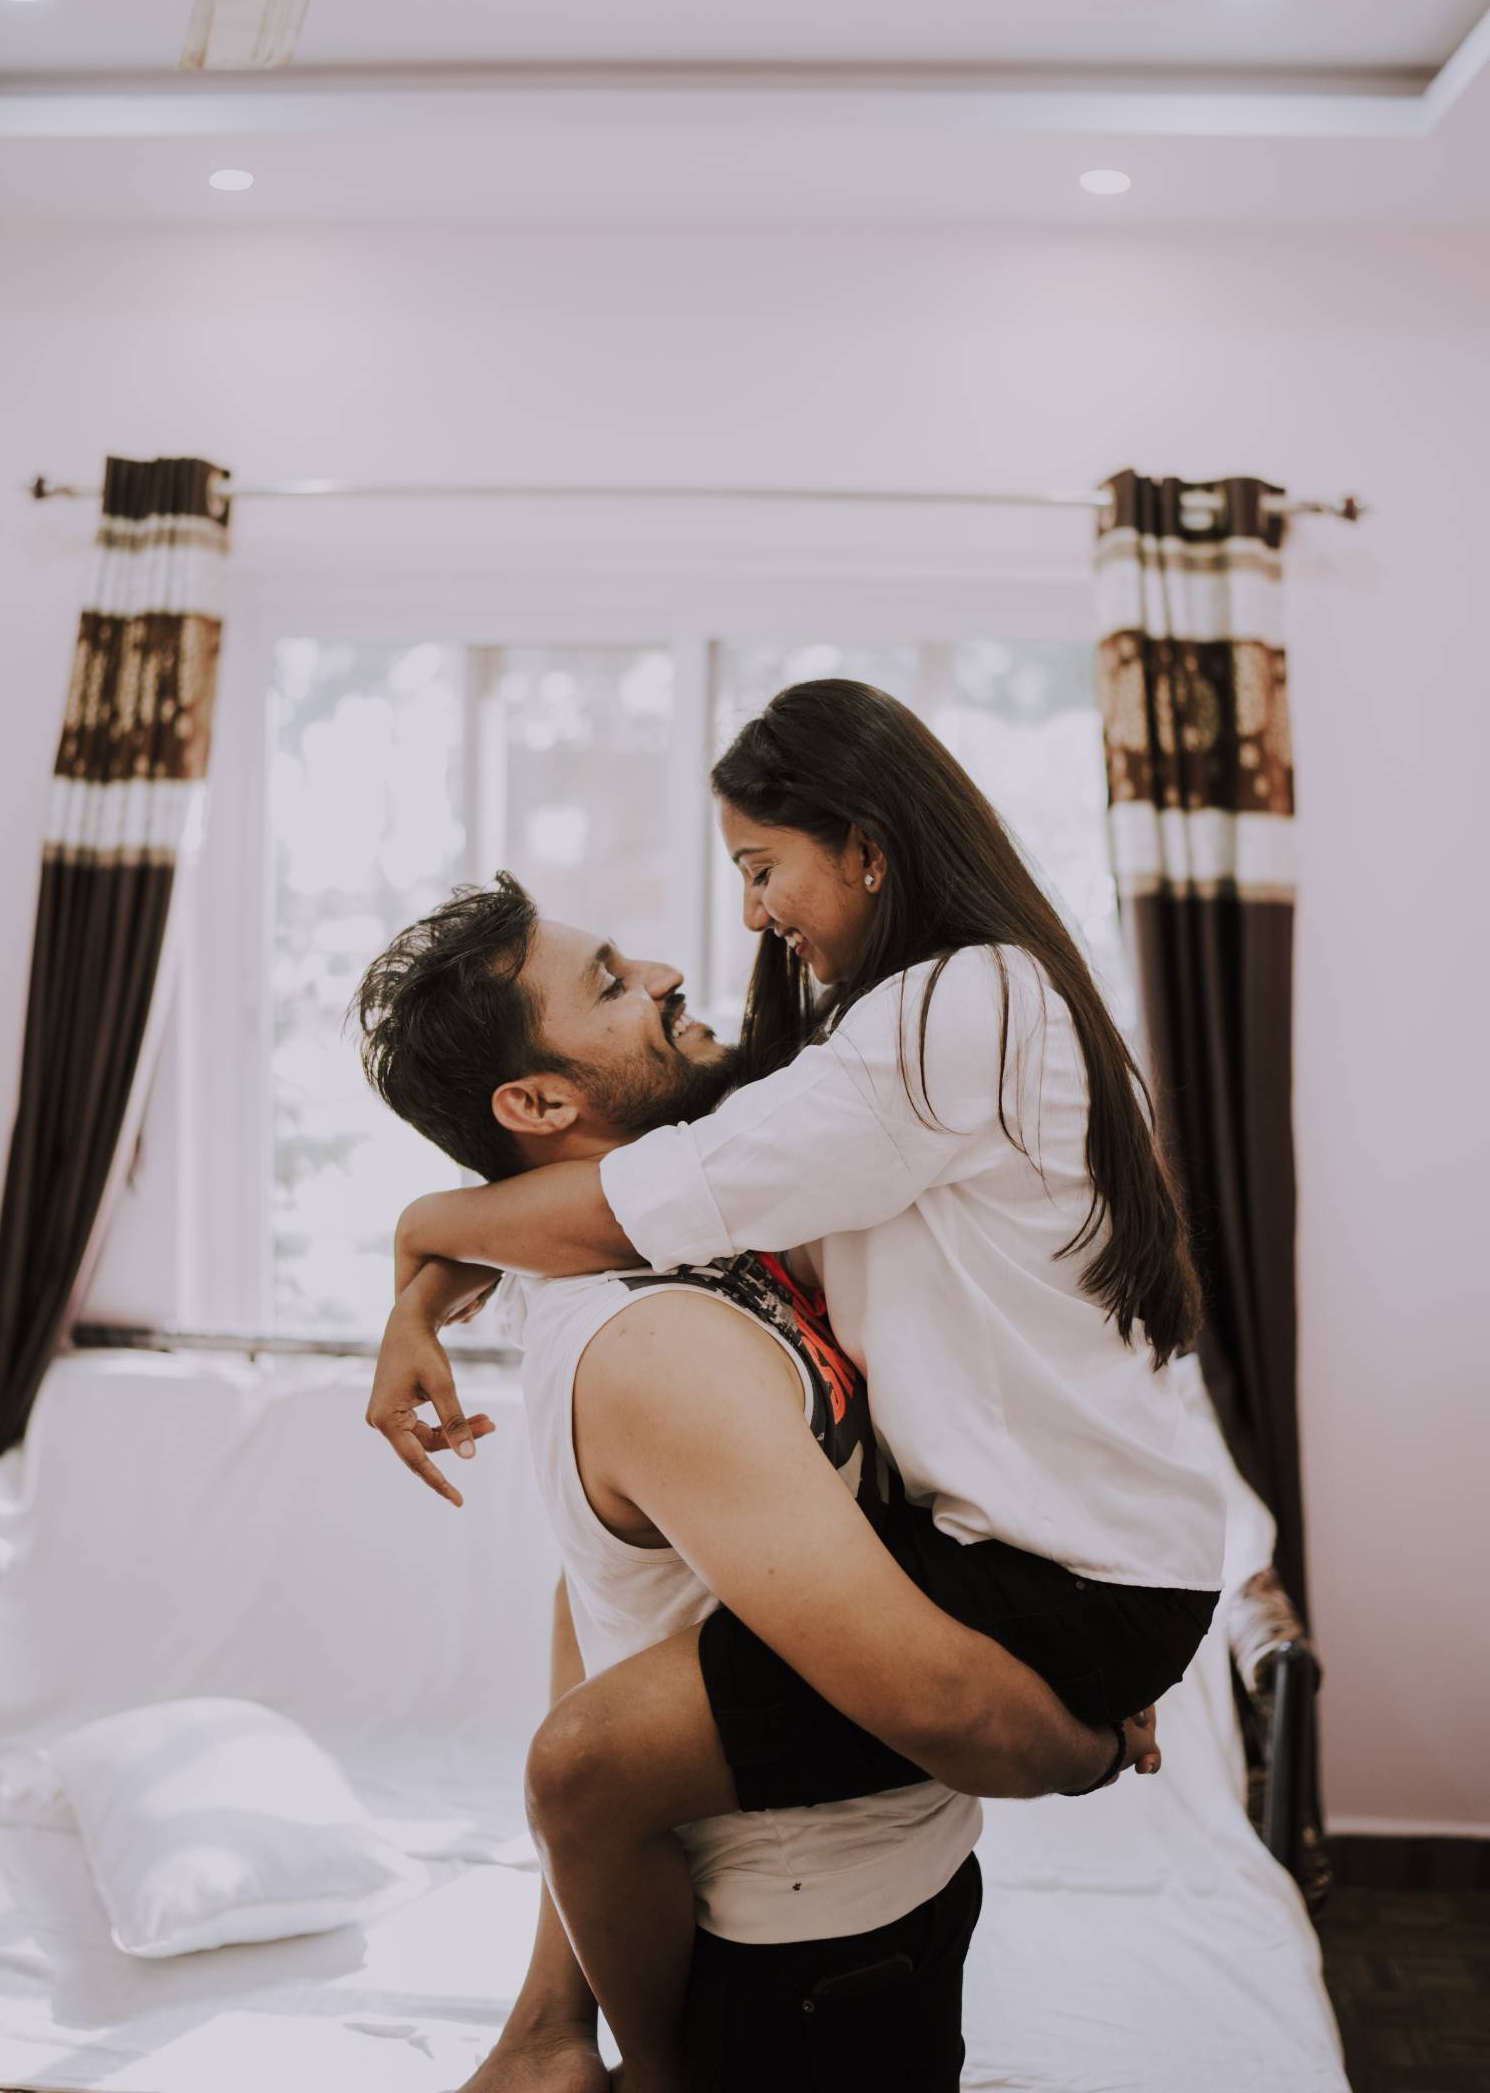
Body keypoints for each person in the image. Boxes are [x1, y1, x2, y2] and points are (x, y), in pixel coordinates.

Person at [371, 680, 1223, 2088]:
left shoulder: (945, 1016)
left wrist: (421, 1235)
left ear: (870, 850)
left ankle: (586, 2054)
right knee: (584, 1765)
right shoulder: (664, 1330)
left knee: (587, 1765)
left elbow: (661, 1185)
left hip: (1059, 1590)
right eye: (612, 982)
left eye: (762, 867)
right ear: (539, 1101)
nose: (734, 928)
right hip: (836, 1914)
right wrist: (424, 1280)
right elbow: (640, 1214)